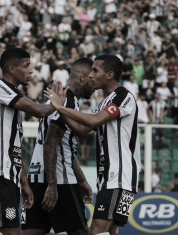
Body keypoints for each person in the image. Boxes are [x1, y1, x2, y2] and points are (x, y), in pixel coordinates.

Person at [44, 55, 141, 235]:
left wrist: (61, 108)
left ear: (110, 74)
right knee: (110, 231)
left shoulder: (123, 96)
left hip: (119, 175)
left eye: (96, 70)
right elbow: (81, 129)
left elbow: (94, 121)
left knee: (97, 230)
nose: (91, 75)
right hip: (111, 177)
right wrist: (61, 108)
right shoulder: (105, 102)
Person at [0, 48, 63, 235]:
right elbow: (38, 111)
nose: (31, 70)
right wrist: (56, 104)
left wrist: (23, 182)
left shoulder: (11, 98)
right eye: (26, 66)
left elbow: (14, 148)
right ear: (12, 69)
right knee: (11, 232)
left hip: (7, 174)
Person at [22, 58, 95, 235]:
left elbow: (65, 147)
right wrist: (53, 185)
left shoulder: (56, 100)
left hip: (37, 178)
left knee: (33, 231)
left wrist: (83, 181)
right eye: (92, 80)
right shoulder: (67, 101)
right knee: (80, 231)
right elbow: (51, 142)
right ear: (83, 77)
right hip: (59, 180)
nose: (95, 86)